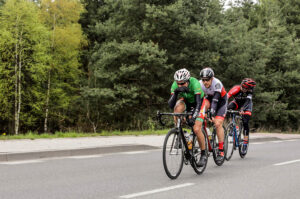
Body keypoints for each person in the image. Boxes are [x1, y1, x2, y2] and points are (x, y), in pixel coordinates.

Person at [168, 68, 207, 166]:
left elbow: (198, 103)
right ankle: (179, 132)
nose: (180, 85)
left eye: (182, 83)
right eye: (178, 83)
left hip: (199, 103)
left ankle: (203, 153)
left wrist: (193, 117)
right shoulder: (175, 85)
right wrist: (176, 92)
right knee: (176, 110)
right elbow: (171, 105)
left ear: (188, 80)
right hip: (186, 101)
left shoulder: (195, 83)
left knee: (196, 129)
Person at [199, 67, 228, 161]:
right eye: (203, 80)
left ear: (212, 79)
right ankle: (206, 132)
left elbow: (215, 101)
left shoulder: (217, 83)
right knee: (202, 109)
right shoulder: (200, 84)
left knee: (218, 123)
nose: (205, 82)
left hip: (220, 101)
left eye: (207, 80)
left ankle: (221, 150)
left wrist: (212, 112)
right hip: (209, 99)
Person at [227, 78, 256, 153]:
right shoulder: (236, 89)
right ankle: (233, 126)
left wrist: (242, 109)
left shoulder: (250, 91)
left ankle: (245, 143)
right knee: (228, 108)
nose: (245, 90)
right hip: (237, 103)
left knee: (245, 122)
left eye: (247, 89)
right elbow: (226, 97)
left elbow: (248, 101)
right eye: (244, 88)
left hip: (247, 106)